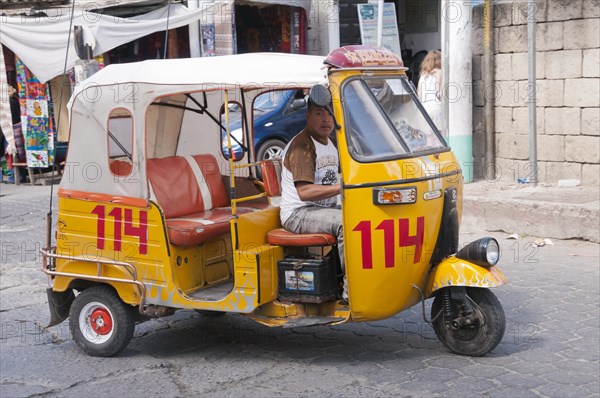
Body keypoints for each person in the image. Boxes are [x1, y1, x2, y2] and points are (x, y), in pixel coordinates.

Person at [279, 95, 347, 301]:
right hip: (298, 213)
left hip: (320, 210)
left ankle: (333, 276)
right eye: (319, 114)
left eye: (329, 114)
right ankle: (352, 291)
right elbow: (305, 192)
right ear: (308, 117)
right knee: (346, 223)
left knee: (363, 216)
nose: (326, 119)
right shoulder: (302, 147)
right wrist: (340, 188)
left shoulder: (332, 142)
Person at [417, 50, 443, 132]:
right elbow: (440, 94)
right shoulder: (440, 73)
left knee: (428, 137)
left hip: (425, 109)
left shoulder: (423, 76)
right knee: (439, 136)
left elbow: (419, 96)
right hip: (437, 108)